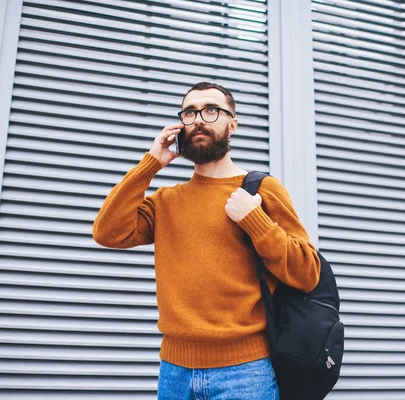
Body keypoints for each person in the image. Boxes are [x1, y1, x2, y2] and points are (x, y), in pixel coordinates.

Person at [92, 82, 321, 399]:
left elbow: (308, 272)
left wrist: (255, 221)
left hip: (246, 372)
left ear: (233, 124)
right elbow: (107, 232)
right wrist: (151, 163)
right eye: (189, 112)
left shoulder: (262, 189)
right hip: (174, 374)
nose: (198, 119)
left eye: (211, 110)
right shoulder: (166, 201)